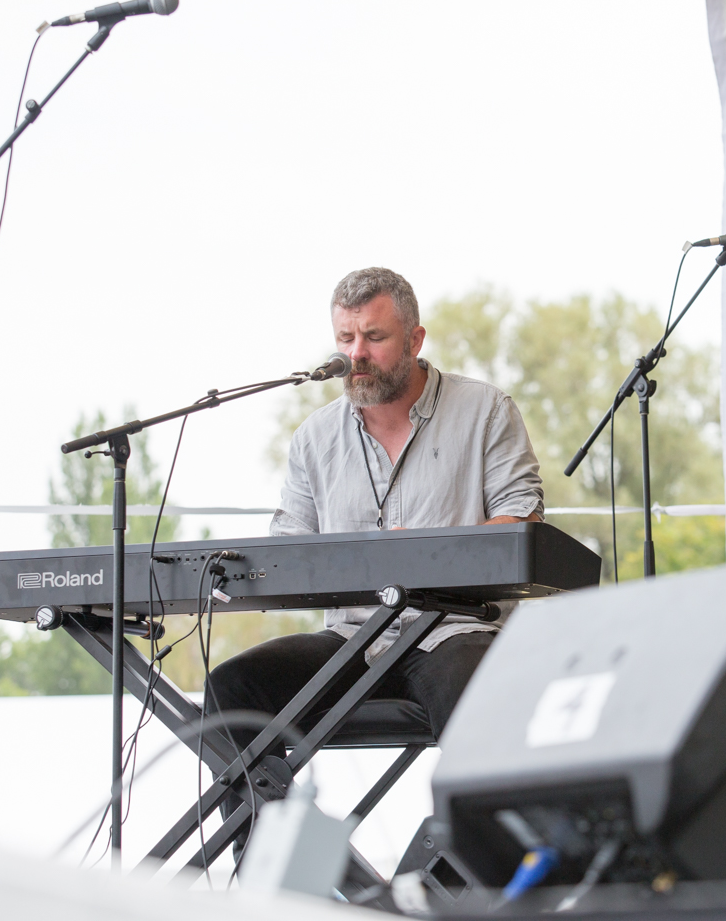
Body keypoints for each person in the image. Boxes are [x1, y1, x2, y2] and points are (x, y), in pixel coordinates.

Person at [204, 266, 544, 760]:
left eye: (375, 337)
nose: (356, 354)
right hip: (351, 638)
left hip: (456, 632)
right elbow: (288, 549)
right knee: (229, 692)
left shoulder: (486, 410)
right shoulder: (314, 438)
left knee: (477, 692)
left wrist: (427, 554)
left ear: (415, 339)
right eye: (346, 337)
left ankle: (480, 836)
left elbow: (522, 523)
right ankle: (272, 834)